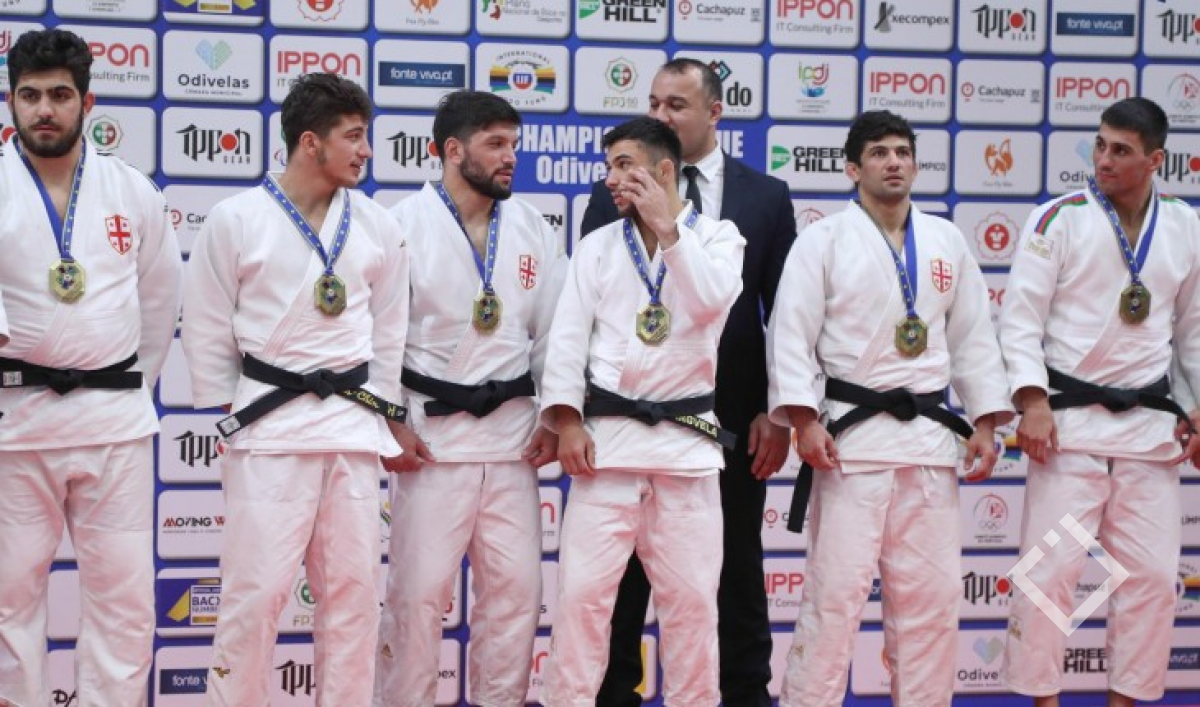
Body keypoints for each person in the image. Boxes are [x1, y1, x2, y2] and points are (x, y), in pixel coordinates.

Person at [767, 110, 1013, 707]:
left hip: (928, 444)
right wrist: (804, 420)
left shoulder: (945, 239)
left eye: (902, 152)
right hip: (851, 445)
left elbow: (973, 338)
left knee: (930, 604)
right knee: (833, 600)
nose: (894, 162)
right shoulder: (823, 241)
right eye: (879, 153)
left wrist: (984, 421)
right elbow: (791, 335)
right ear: (853, 169)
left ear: (916, 165)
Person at [181, 73, 409, 705]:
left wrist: (382, 413)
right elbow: (206, 325)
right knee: (253, 598)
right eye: (354, 136)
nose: (366, 150)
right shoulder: (235, 219)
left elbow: (390, 331)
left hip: (350, 433)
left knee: (353, 599)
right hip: (270, 432)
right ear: (311, 142)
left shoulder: (377, 225)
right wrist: (239, 408)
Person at [581, 57, 795, 707]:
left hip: (729, 415)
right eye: (654, 103)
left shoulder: (765, 197)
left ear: (714, 112)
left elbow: (785, 313)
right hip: (630, 412)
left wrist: (777, 411)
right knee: (619, 580)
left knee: (733, 571)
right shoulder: (611, 193)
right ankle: (615, 696)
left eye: (676, 104)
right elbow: (590, 313)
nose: (661, 115)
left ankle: (744, 695)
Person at [0, 28, 182, 706]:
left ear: (88, 102)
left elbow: (160, 301)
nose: (44, 109)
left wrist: (128, 386)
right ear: (11, 102)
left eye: (59, 95)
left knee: (124, 601)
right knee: (8, 600)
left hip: (114, 425)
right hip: (15, 424)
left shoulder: (132, 190)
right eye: (29, 96)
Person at [1000, 97, 1200, 707]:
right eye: (1100, 144)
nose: (1104, 159)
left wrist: (1197, 408)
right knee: (1049, 577)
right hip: (1069, 428)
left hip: (1149, 432)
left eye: (1121, 150)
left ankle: (1125, 701)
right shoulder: (1057, 219)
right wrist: (1032, 400)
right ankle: (1043, 701)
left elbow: (1192, 331)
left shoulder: (1185, 225)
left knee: (1153, 580)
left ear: (1155, 160)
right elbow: (1020, 319)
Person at [540, 116, 745, 706]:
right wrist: (568, 421)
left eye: (624, 165)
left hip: (686, 453)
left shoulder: (720, 237)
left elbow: (709, 304)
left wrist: (670, 230)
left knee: (692, 609)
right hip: (607, 451)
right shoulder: (599, 246)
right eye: (609, 166)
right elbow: (568, 340)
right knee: (581, 603)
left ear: (663, 170)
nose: (611, 178)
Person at [372, 90, 566, 707]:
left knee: (516, 597)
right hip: (432, 443)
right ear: (453, 150)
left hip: (513, 441)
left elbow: (555, 334)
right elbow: (380, 336)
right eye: (496, 144)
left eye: (514, 143)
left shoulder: (532, 227)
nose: (511, 156)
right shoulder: (400, 226)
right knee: (417, 597)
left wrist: (556, 414)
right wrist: (390, 422)